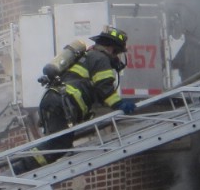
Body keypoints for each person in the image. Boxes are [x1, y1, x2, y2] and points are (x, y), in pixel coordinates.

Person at [24, 25, 137, 169]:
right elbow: (104, 88)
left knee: (56, 144)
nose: (117, 57)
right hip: (62, 103)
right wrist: (120, 104)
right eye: (118, 53)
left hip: (54, 100)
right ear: (112, 48)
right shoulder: (101, 59)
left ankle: (21, 167)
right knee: (59, 145)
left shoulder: (87, 56)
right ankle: (20, 169)